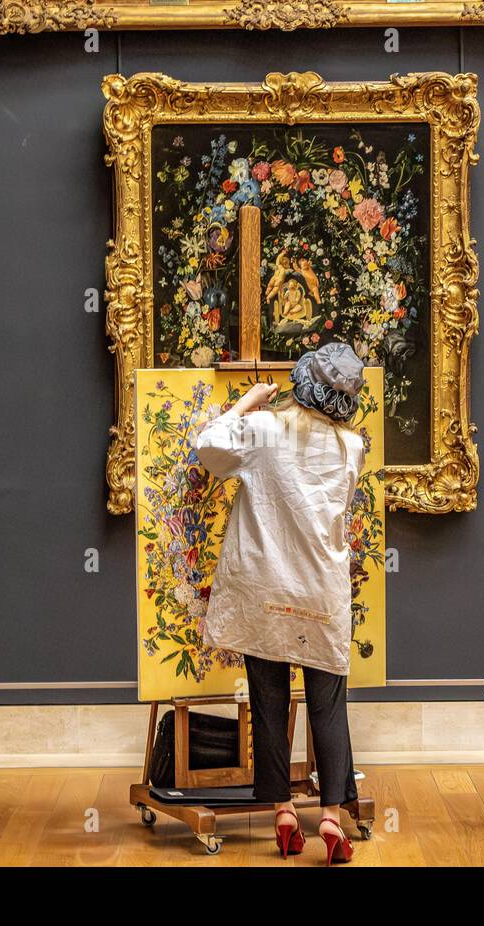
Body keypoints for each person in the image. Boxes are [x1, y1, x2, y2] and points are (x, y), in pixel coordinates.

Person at [193, 342, 367, 865]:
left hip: (265, 589)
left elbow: (208, 448)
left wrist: (249, 400)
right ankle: (333, 817)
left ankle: (284, 812)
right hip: (320, 591)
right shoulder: (351, 446)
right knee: (328, 704)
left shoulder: (263, 430)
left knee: (269, 704)